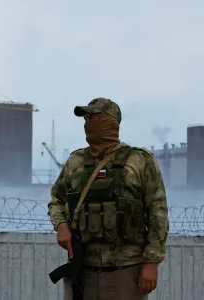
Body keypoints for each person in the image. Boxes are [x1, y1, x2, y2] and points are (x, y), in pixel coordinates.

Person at [48, 98, 169, 300]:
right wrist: (60, 225)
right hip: (83, 267)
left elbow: (158, 211)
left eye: (94, 117)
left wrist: (151, 263)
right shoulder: (75, 161)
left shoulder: (139, 160)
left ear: (110, 121)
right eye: (86, 119)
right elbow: (56, 199)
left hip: (126, 271)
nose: (88, 123)